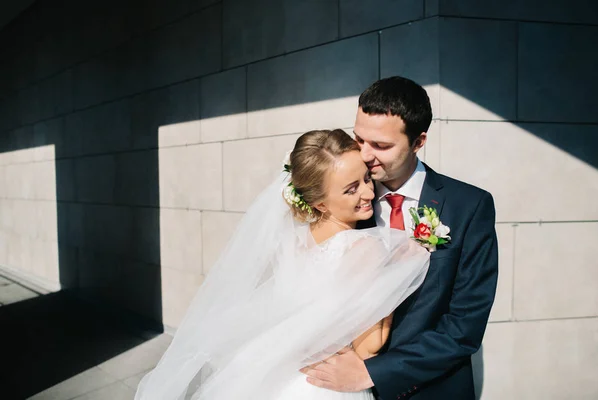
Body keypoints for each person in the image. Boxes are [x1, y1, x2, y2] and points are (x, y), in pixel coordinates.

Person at [134, 129, 430, 400]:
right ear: (321, 203)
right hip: (325, 385)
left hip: (278, 374)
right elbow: (369, 346)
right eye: (350, 189)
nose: (368, 193)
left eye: (366, 179)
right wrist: (395, 276)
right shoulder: (367, 247)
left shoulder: (293, 239)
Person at [301, 77, 499, 399]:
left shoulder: (470, 207)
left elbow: (464, 328)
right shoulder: (337, 201)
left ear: (418, 141)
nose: (364, 155)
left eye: (381, 146)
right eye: (359, 139)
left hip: (431, 390)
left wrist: (371, 372)